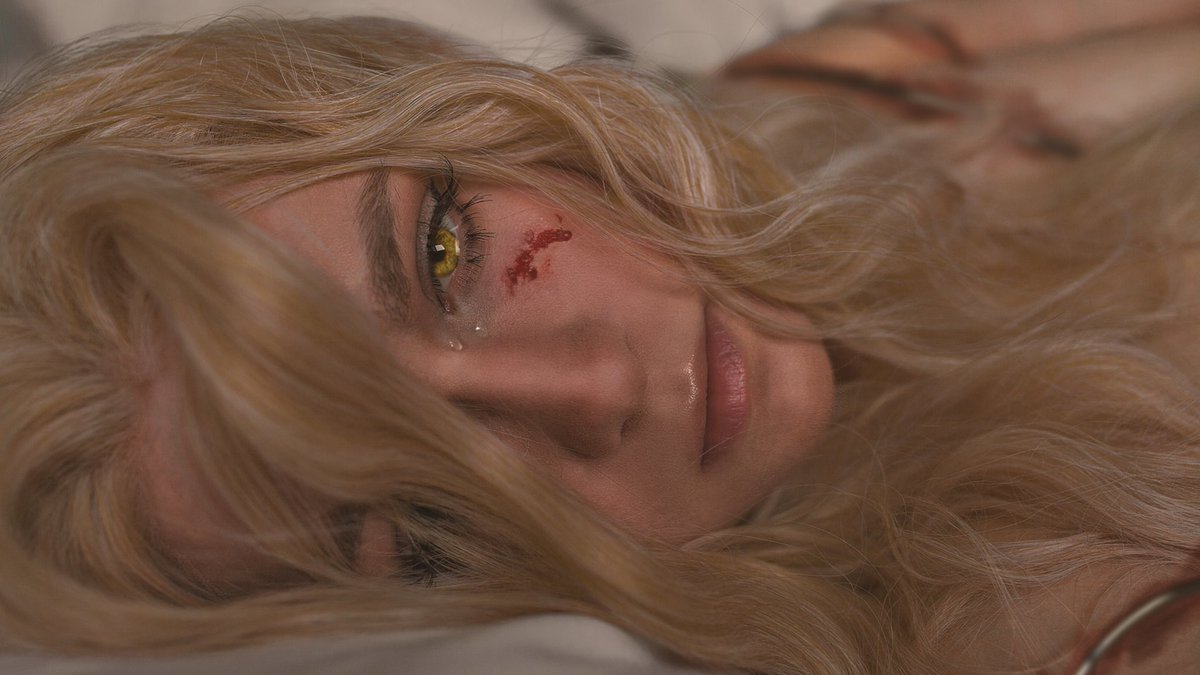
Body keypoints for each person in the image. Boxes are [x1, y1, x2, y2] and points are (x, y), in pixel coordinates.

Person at [0, 1, 1198, 672]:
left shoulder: (826, 100)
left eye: (446, 254)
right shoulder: (1062, 626)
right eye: (429, 530)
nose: (594, 388)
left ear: (470, 119)